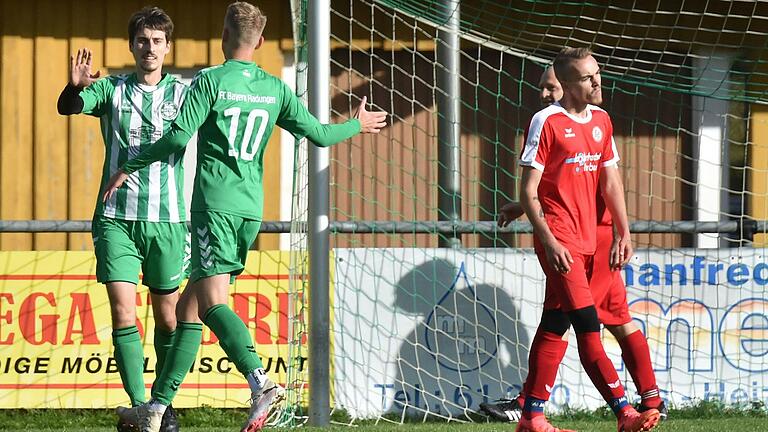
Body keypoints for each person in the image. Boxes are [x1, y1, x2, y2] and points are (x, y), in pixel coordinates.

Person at [105, 3, 388, 432]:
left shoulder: (211, 81)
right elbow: (319, 134)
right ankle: (157, 409)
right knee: (189, 310)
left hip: (213, 209)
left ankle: (260, 382)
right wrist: (355, 124)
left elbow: (180, 135)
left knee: (213, 303)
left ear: (223, 35)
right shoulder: (274, 88)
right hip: (250, 212)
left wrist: (133, 162)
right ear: (258, 41)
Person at [481, 67, 666, 424]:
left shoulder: (599, 120)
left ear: (564, 85)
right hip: (568, 238)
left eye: (549, 87)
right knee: (585, 321)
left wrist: (621, 232)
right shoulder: (547, 122)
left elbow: (596, 180)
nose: (545, 94)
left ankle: (533, 410)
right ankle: (630, 409)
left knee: (568, 320)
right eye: (542, 88)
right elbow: (553, 181)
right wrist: (529, 211)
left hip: (598, 236)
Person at [56, 7, 187, 432]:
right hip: (116, 220)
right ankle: (138, 407)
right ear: (132, 45)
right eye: (142, 40)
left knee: (169, 318)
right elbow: (70, 105)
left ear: (168, 46)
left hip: (168, 221)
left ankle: (161, 405)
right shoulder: (111, 88)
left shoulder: (185, 94)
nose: (149, 48)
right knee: (123, 312)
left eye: (157, 41)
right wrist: (74, 88)